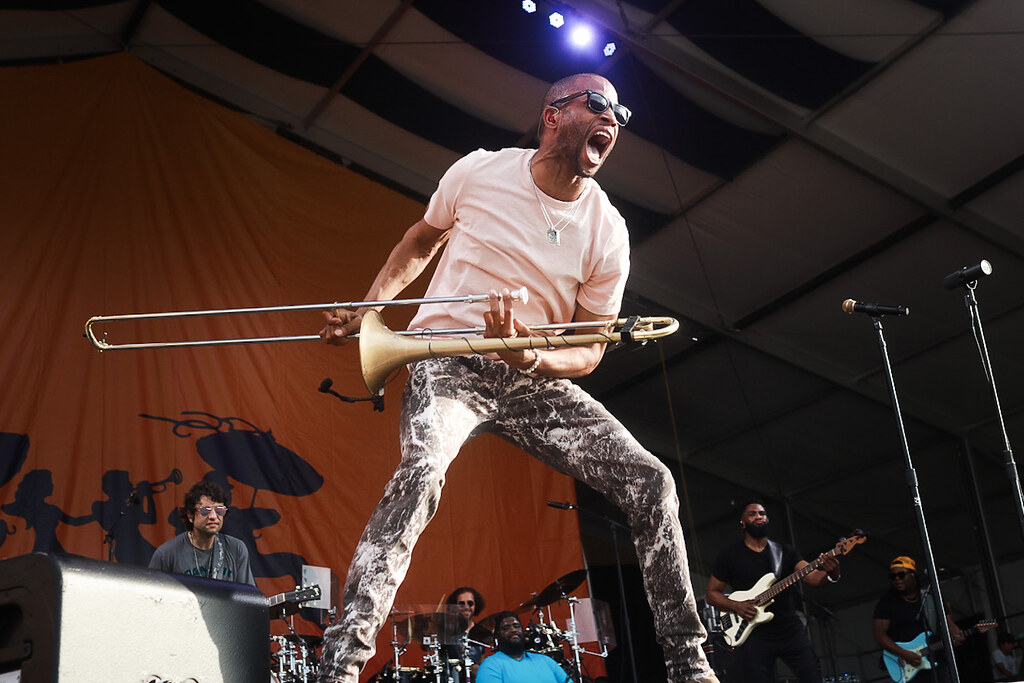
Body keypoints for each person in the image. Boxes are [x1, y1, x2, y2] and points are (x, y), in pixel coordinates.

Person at [316, 72, 717, 683]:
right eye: (601, 106)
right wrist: (371, 306)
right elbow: (421, 241)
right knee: (422, 471)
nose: (614, 121)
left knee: (652, 482)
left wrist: (529, 358)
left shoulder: (607, 230)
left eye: (623, 116)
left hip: (531, 378)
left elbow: (586, 354)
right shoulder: (480, 171)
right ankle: (341, 664)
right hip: (446, 361)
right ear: (554, 114)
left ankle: (690, 668)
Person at [705, 499, 840, 683]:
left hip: (789, 629)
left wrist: (832, 573)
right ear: (743, 523)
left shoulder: (786, 552)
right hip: (754, 633)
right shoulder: (730, 556)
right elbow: (712, 594)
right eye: (752, 514)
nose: (758, 516)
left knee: (812, 676)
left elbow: (813, 577)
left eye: (762, 513)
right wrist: (737, 606)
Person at [872, 556, 963, 683]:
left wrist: (956, 633)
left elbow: (948, 622)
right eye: (893, 577)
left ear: (913, 575)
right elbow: (879, 635)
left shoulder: (931, 597)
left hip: (937, 661)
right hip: (909, 666)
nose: (897, 579)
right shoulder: (887, 603)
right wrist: (903, 654)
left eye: (901, 575)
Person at [149, 480, 255, 586]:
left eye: (219, 510)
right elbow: (152, 597)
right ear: (190, 516)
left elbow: (247, 598)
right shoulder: (166, 554)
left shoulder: (236, 549)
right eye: (205, 510)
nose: (213, 516)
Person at [475, 611, 566, 683]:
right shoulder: (490, 665)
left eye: (516, 626)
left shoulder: (546, 661)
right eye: (506, 628)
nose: (513, 630)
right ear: (497, 635)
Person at [444, 586, 487, 677]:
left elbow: (481, 658)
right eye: (461, 604)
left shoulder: (480, 631)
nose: (466, 607)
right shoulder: (446, 631)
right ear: (454, 607)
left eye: (470, 603)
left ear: (476, 606)